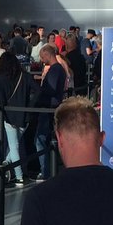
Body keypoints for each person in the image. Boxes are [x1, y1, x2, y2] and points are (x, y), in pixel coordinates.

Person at [0, 50, 29, 185]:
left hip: (8, 115)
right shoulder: (23, 75)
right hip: (24, 115)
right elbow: (37, 90)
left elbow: (1, 100)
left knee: (13, 146)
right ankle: (7, 163)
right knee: (15, 145)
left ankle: (18, 176)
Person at [33, 43, 66, 180]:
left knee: (40, 140)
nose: (41, 60)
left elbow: (51, 89)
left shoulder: (55, 70)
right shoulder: (59, 69)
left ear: (47, 54)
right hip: (52, 107)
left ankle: (45, 171)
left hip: (48, 108)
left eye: (42, 57)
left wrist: (37, 86)